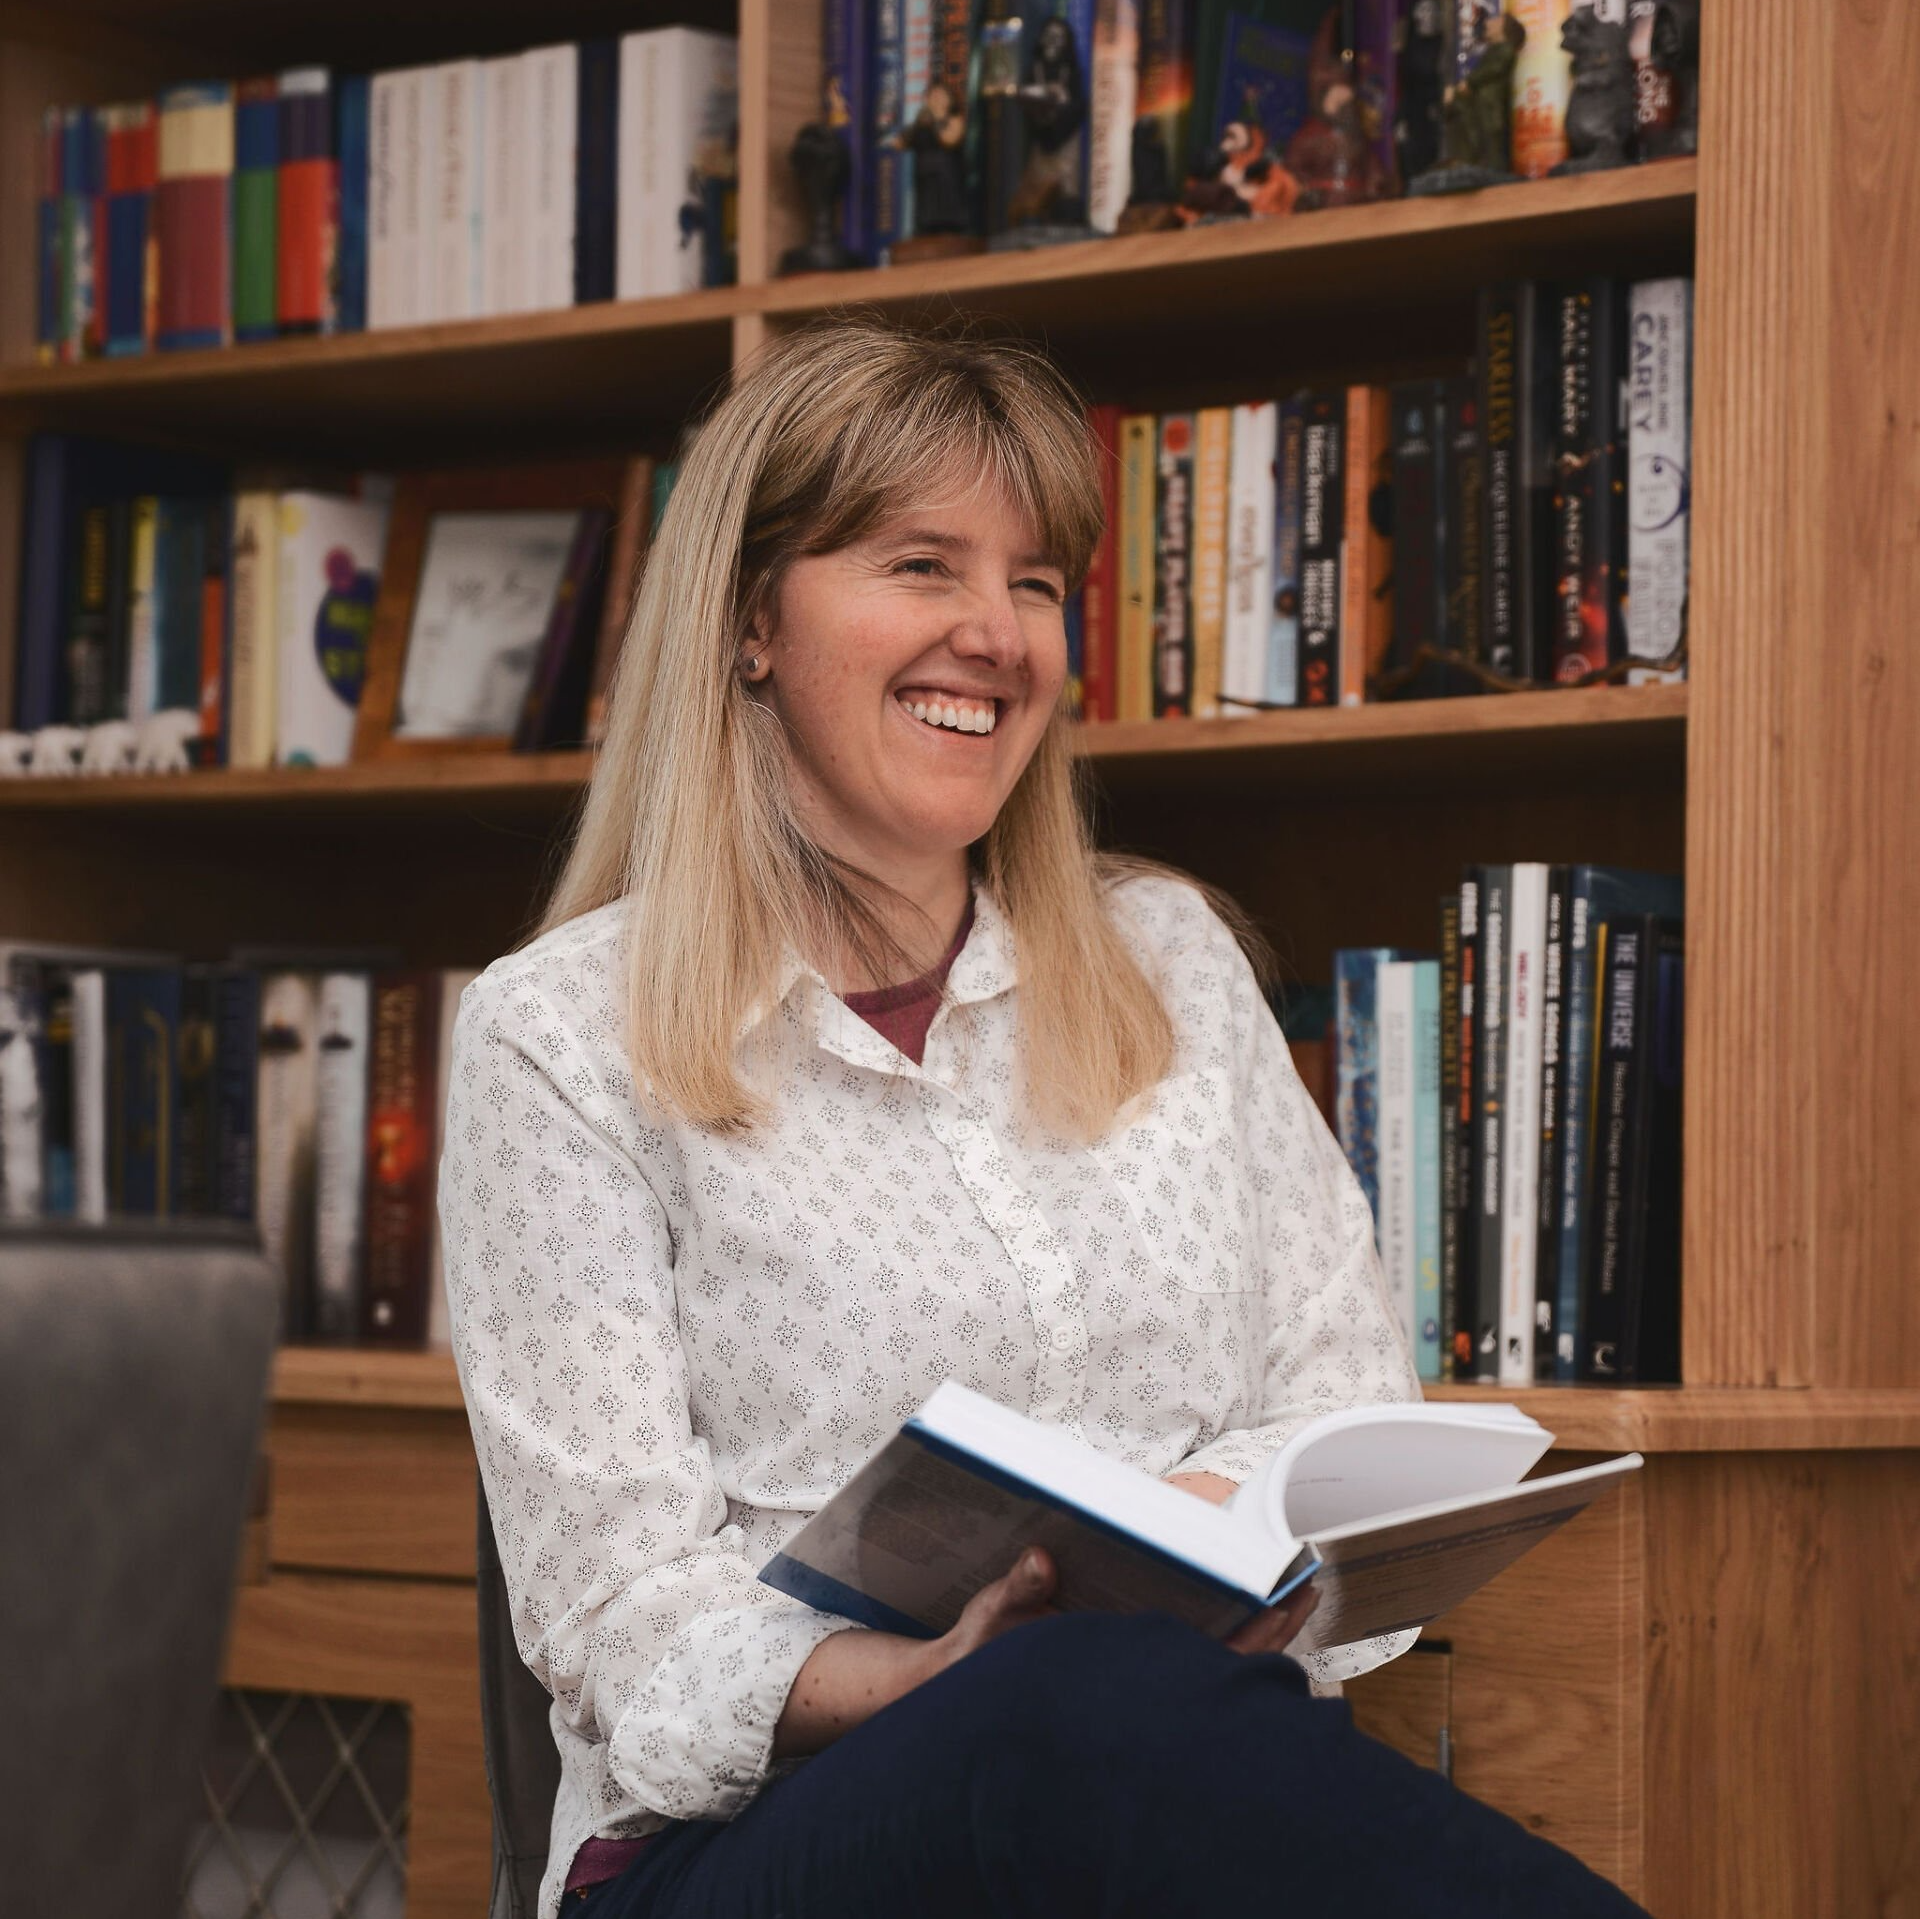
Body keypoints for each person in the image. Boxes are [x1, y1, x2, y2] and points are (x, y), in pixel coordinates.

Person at [438, 312, 1648, 1919]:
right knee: (1070, 1704)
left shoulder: (1172, 964)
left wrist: (1244, 1576)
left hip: (1163, 1794)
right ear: (747, 623)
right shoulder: (559, 1034)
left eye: (1032, 583)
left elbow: (1338, 1400)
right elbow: (617, 1616)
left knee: (1114, 1708)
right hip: (755, 1850)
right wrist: (933, 1671)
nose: (996, 636)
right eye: (923, 565)